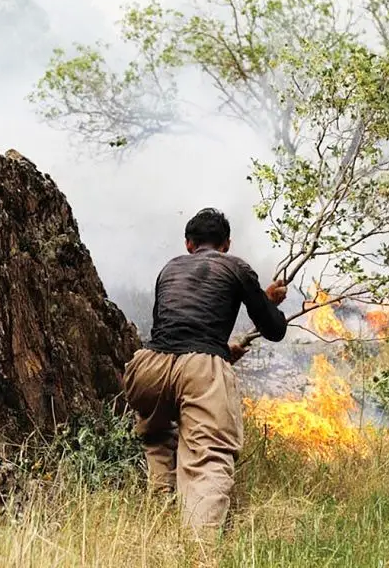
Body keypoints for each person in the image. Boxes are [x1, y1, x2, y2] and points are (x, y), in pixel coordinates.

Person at [122, 207, 288, 534]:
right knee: (208, 459)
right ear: (226, 244)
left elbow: (175, 335)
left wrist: (223, 352)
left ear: (188, 244)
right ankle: (199, 551)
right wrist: (271, 301)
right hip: (199, 368)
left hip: (148, 368)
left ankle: (162, 527)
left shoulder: (169, 269)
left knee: (158, 439)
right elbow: (274, 329)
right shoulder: (235, 266)